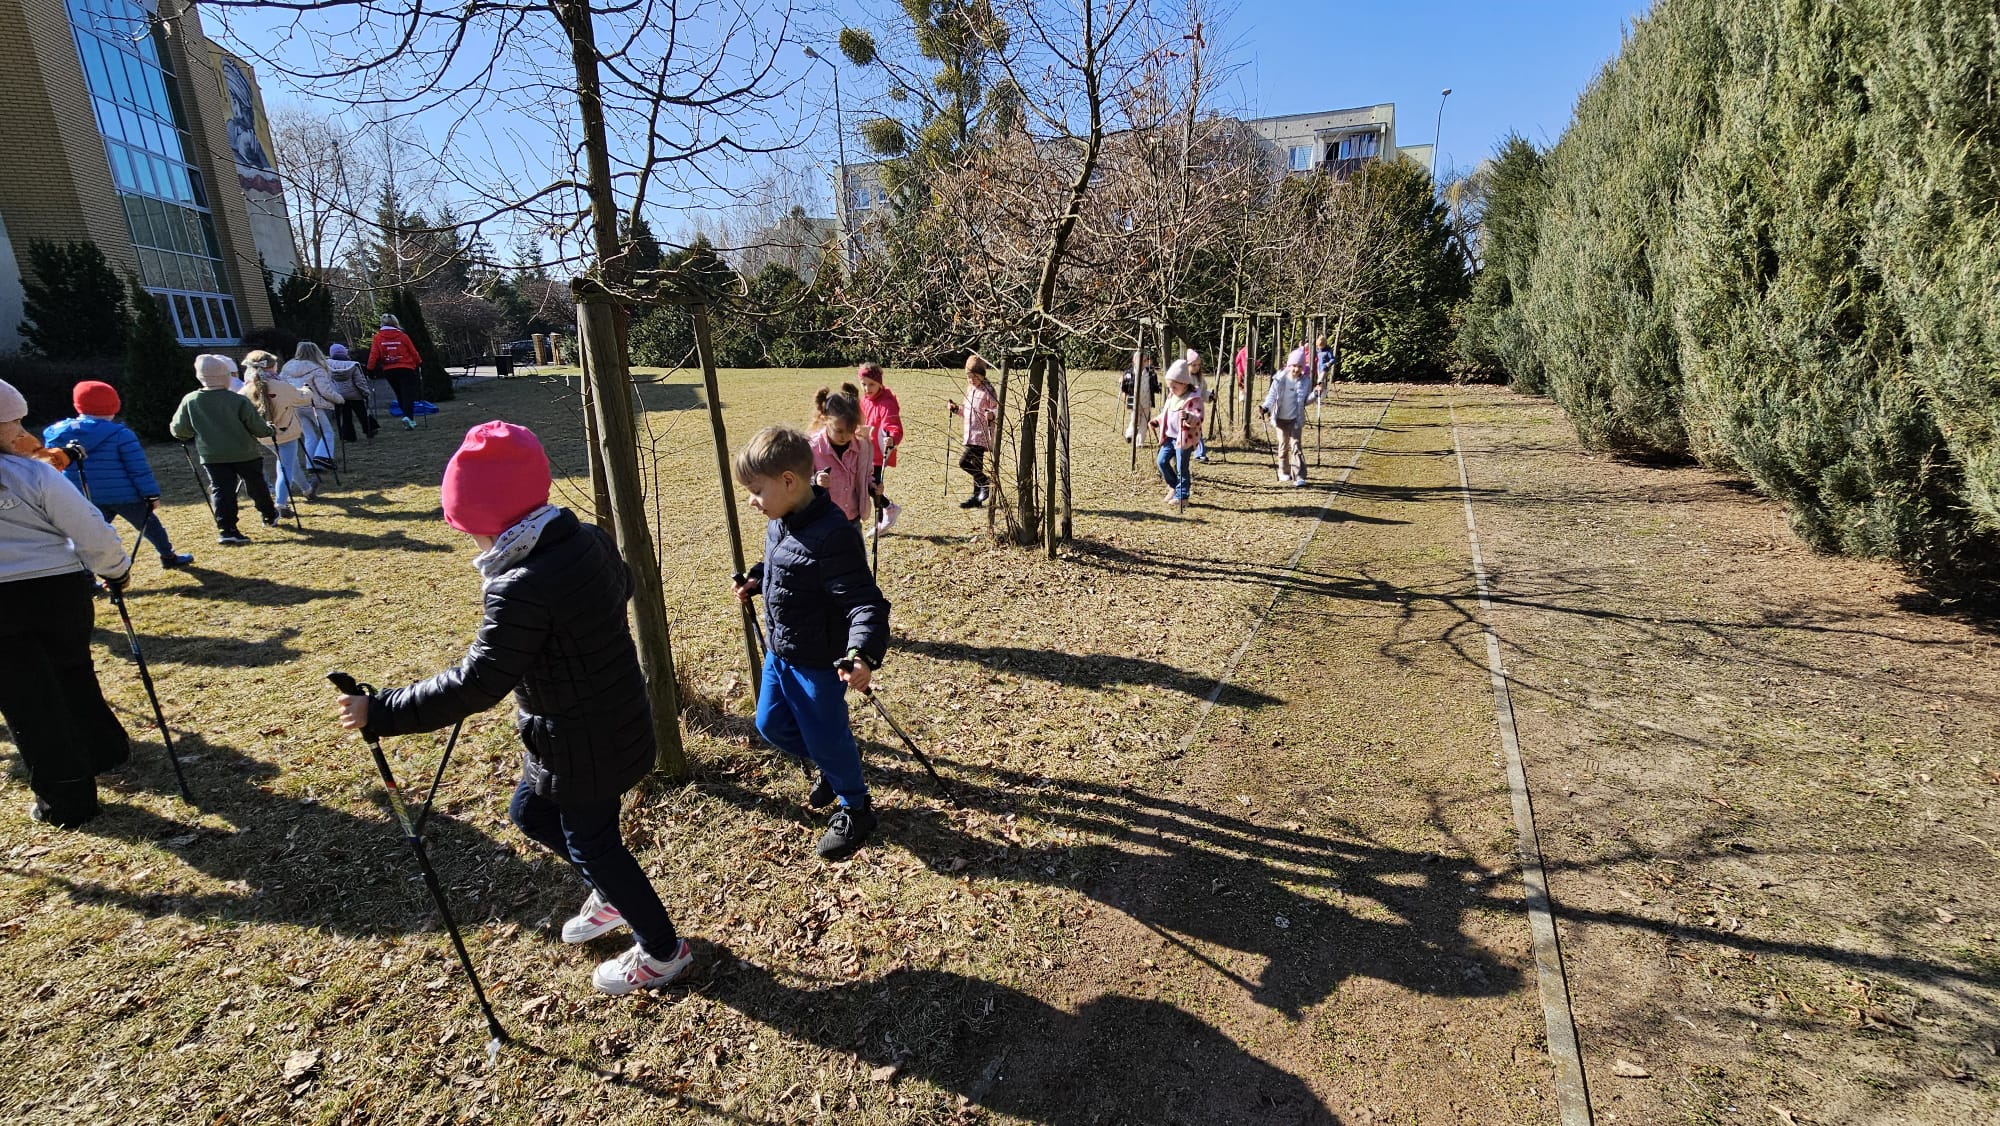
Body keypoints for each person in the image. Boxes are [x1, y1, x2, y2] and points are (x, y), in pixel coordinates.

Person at [333, 421, 693, 995]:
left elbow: (477, 684)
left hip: (585, 741)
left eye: (470, 530)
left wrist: (382, 710)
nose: (473, 544)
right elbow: (621, 587)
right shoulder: (587, 538)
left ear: (489, 522)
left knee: (593, 842)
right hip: (596, 722)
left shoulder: (519, 585)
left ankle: (662, 950)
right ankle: (611, 895)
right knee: (529, 812)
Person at [730, 426, 892, 860]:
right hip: (781, 652)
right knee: (770, 724)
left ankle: (856, 807)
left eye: (756, 490)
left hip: (818, 662)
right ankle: (833, 764)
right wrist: (757, 578)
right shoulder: (780, 520)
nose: (752, 500)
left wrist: (862, 653)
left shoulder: (834, 534)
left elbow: (865, 603)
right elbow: (784, 565)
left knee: (826, 736)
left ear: (788, 481)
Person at [0, 378, 135, 828]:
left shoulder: (33, 470)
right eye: (13, 423)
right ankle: (86, 771)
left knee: (31, 694)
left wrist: (113, 569)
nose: (22, 431)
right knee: (61, 674)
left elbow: (88, 526)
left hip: (47, 587)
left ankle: (90, 765)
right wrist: (115, 568)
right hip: (55, 589)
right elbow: (90, 528)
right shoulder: (32, 474)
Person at [43, 381, 194, 569]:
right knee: (150, 526)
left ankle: (85, 572)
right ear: (114, 407)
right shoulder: (121, 434)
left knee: (88, 535)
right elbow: (137, 468)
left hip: (84, 496)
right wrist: (150, 494)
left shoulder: (56, 435)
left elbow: (54, 467)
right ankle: (168, 555)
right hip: (126, 496)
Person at [171, 354, 277, 544]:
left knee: (222, 490)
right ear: (225, 376)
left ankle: (227, 529)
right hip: (245, 452)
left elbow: (180, 430)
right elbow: (258, 428)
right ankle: (269, 514)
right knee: (256, 485)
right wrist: (270, 429)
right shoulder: (237, 400)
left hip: (212, 455)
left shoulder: (191, 400)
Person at [242, 351, 311, 519]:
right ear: (273, 367)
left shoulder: (245, 389)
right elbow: (303, 398)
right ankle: (281, 503)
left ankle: (307, 489)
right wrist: (307, 390)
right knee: (285, 466)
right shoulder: (280, 385)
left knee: (290, 462)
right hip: (286, 432)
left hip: (263, 435)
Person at [809, 383, 871, 525]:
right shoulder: (812, 448)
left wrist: (872, 485)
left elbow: (866, 475)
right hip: (824, 520)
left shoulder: (861, 446)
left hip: (852, 518)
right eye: (839, 431)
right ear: (825, 419)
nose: (845, 436)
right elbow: (802, 482)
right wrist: (816, 480)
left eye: (851, 430)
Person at [856, 362, 902, 532]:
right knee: (866, 484)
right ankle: (884, 515)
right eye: (864, 384)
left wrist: (892, 438)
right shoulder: (864, 400)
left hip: (878, 452)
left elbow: (894, 426)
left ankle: (887, 511)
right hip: (865, 449)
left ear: (880, 384)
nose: (867, 388)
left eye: (871, 384)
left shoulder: (886, 403)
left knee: (873, 486)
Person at [1149, 362, 1204, 507]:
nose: (1171, 390)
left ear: (1184, 383)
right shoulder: (1172, 396)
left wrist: (1188, 417)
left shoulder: (1193, 398)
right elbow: (1166, 414)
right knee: (1161, 461)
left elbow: (1198, 418)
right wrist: (1157, 421)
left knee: (1181, 468)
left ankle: (1182, 497)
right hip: (1169, 437)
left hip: (1184, 440)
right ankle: (1174, 486)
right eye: (1170, 387)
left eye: (1174, 387)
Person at [279, 342, 341, 469]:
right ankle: (323, 456)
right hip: (313, 405)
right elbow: (325, 390)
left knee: (309, 435)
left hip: (296, 405)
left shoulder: (287, 368)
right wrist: (339, 399)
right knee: (327, 432)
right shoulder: (317, 368)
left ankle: (311, 465)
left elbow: (282, 387)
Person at [950, 354, 997, 508]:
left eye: (975, 377)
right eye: (969, 377)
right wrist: (956, 409)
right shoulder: (970, 390)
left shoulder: (988, 390)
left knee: (963, 462)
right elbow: (966, 412)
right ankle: (977, 499)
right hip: (970, 434)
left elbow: (997, 409)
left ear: (982, 375)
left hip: (981, 435)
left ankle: (985, 482)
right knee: (977, 467)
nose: (972, 380)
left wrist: (992, 414)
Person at [367, 313, 424, 430]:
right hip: (406, 368)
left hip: (389, 370)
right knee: (408, 394)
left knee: (399, 394)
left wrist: (370, 369)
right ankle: (409, 417)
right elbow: (413, 351)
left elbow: (374, 355)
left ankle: (407, 417)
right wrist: (419, 362)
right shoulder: (403, 336)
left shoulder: (378, 338)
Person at [1262, 351, 1309, 486]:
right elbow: (1272, 396)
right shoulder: (1279, 379)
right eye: (1294, 365)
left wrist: (1318, 394)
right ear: (1289, 365)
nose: (1296, 369)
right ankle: (1283, 471)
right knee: (1283, 446)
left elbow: (1306, 400)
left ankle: (1299, 476)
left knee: (1296, 446)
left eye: (1300, 366)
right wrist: (1265, 408)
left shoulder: (1305, 381)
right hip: (1280, 420)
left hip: (1295, 419)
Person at [326, 343, 378, 442]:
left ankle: (348, 436)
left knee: (345, 416)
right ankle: (370, 429)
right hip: (355, 395)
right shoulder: (353, 365)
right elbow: (359, 382)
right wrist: (365, 393)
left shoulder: (327, 365)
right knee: (362, 413)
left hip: (338, 395)